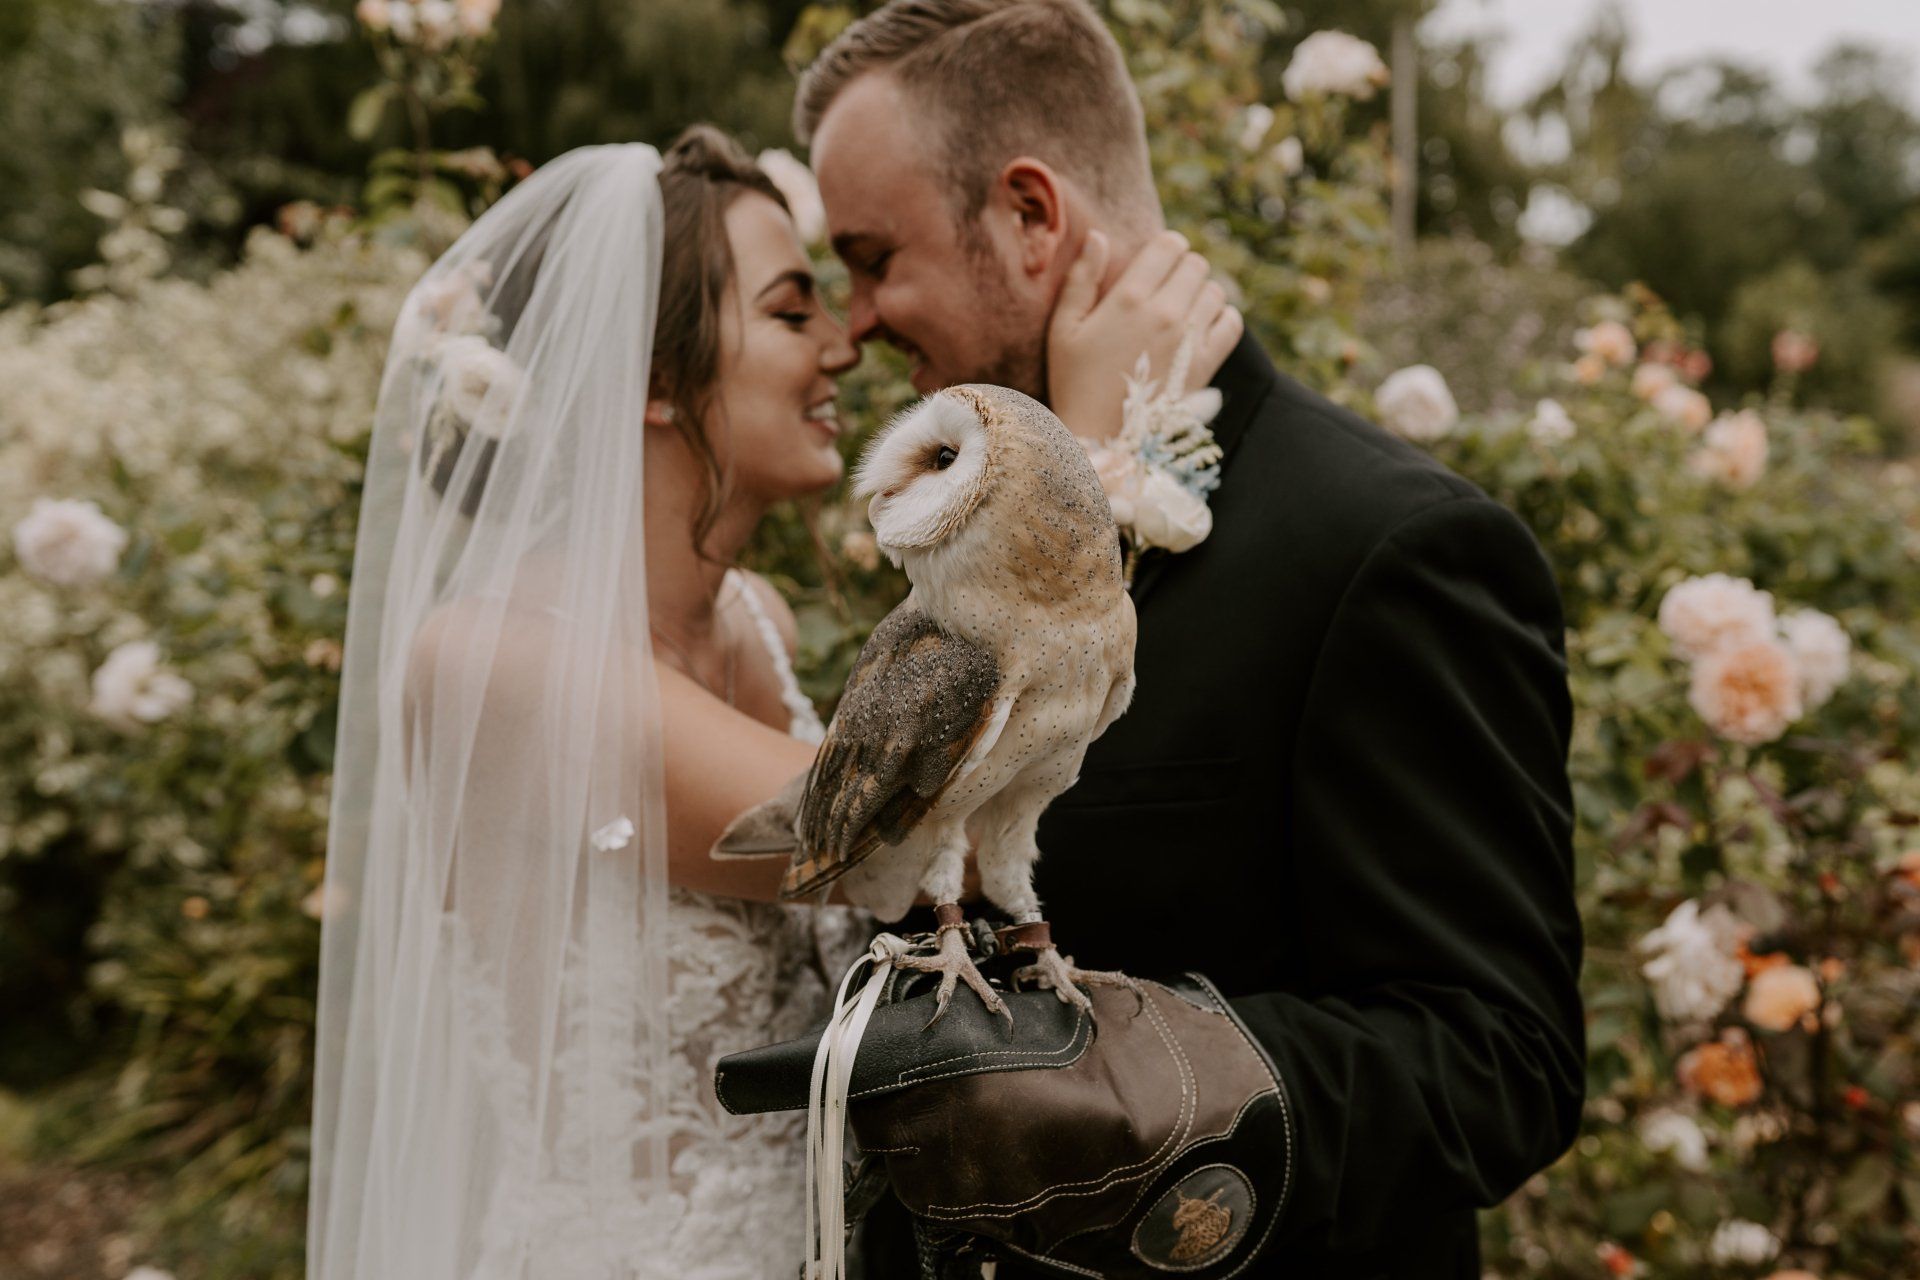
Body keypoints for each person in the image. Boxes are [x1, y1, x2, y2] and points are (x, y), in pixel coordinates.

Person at [307, 125, 1230, 1279]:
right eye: (793, 311)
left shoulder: (757, 622)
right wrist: (1078, 464)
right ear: (648, 380)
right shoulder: (495, 659)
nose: (845, 345)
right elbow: (874, 835)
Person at [789, 2, 1587, 1275]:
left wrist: (1128, 1075)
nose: (862, 318)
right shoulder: (962, 535)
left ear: (1031, 215)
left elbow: (1501, 1060)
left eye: (877, 255)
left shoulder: (1388, 546)